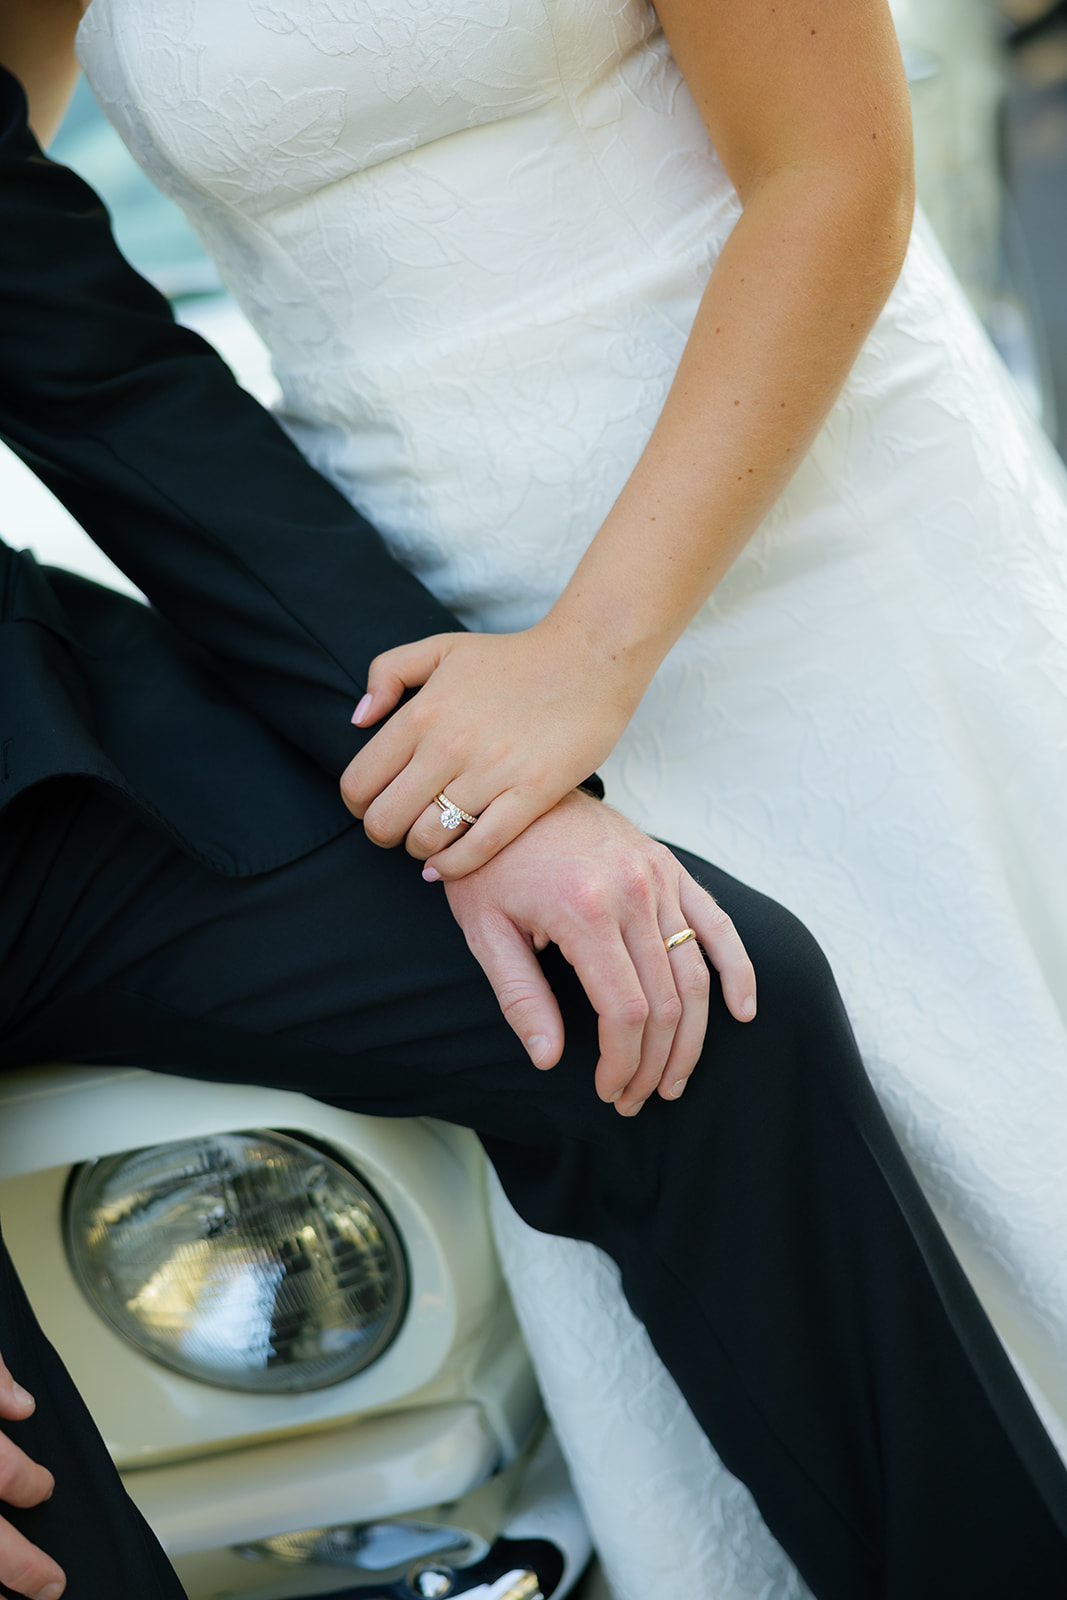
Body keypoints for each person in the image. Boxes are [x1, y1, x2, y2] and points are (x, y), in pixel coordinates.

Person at [5, 32, 1067, 1600]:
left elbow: (81, 354)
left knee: (671, 991)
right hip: (433, 525)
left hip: (741, 546)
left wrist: (489, 774)